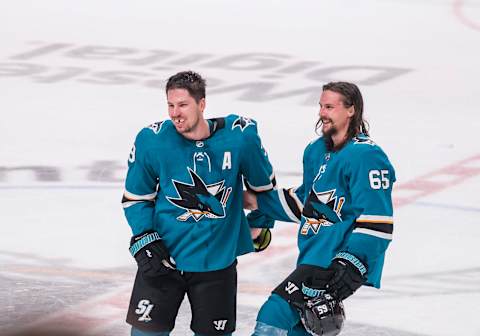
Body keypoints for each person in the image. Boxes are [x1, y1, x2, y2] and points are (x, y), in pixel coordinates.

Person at [121, 71, 275, 336]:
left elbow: (265, 190)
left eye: (183, 105)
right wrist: (146, 237)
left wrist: (259, 225)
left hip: (216, 266)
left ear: (202, 104)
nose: (175, 113)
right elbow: (135, 199)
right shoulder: (152, 140)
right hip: (164, 260)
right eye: (170, 105)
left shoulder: (241, 137)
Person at [245, 82, 396, 336]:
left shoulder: (366, 156)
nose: (321, 113)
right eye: (320, 106)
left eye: (329, 107)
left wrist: (349, 265)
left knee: (275, 312)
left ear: (351, 110)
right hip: (312, 255)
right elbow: (307, 204)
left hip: (334, 262)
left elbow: (377, 221)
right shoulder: (316, 151)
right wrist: (258, 202)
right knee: (299, 330)